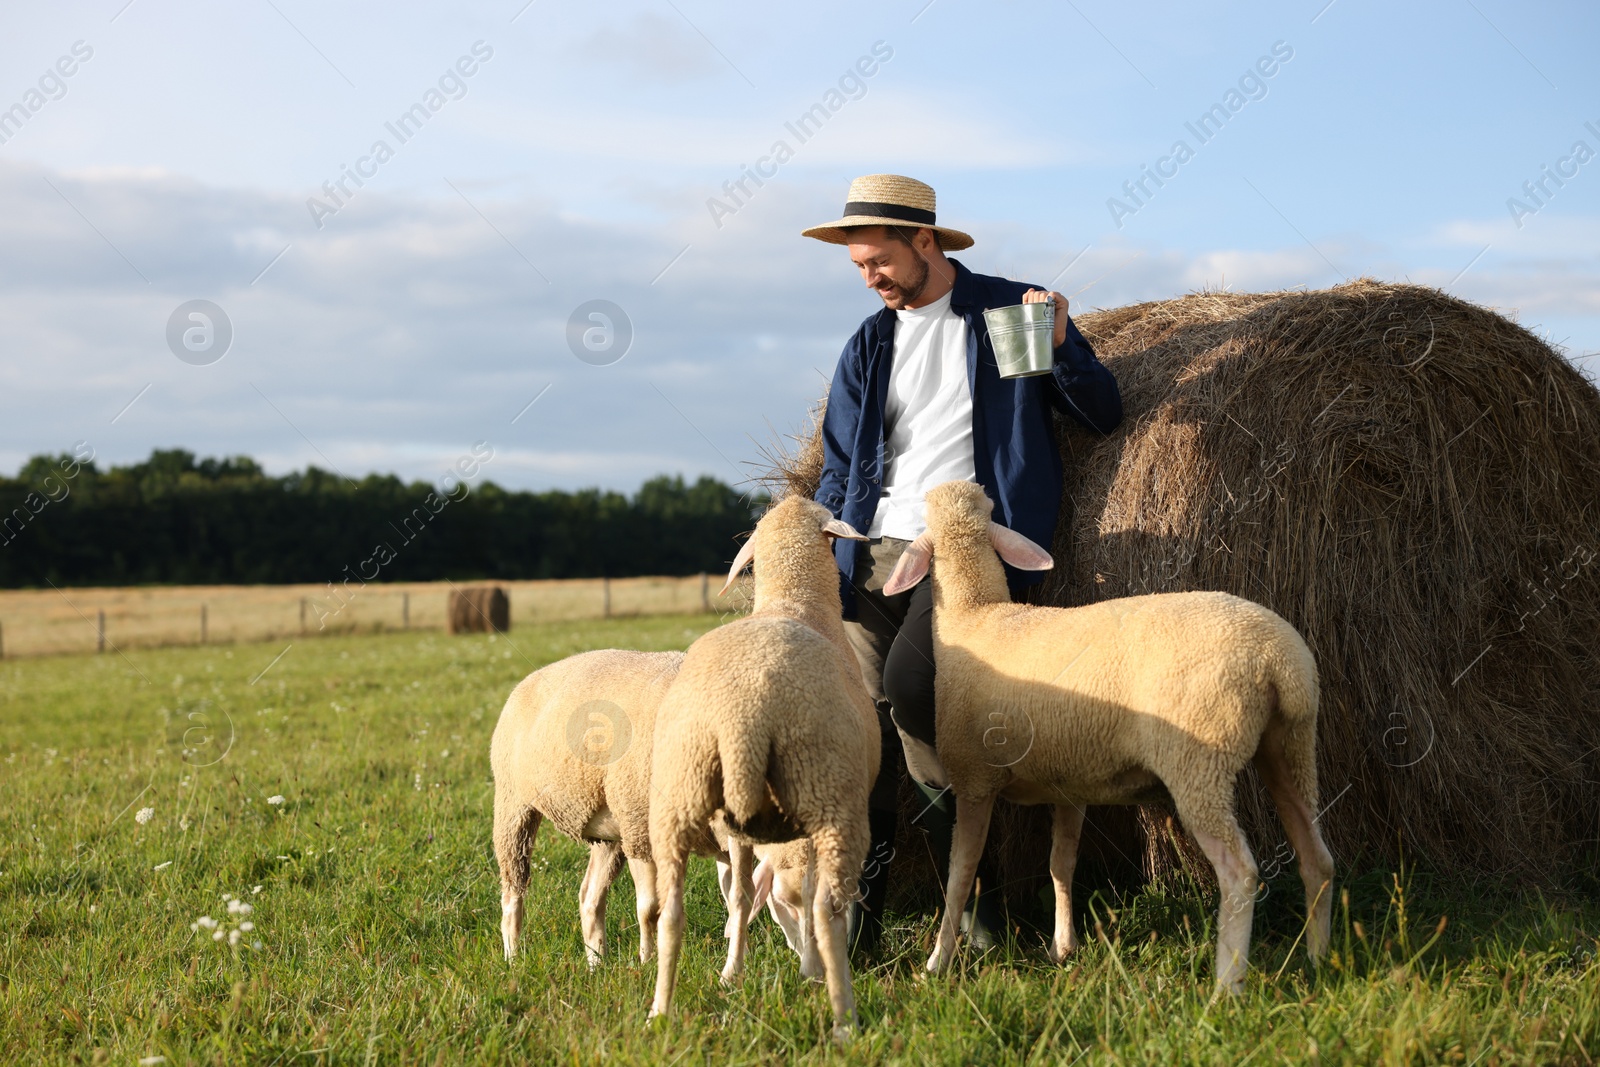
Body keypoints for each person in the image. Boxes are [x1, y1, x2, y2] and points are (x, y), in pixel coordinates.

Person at [802, 174, 1123, 956]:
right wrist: (827, 543)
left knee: (916, 694)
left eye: (878, 260)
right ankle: (860, 925)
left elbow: (1102, 413)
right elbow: (840, 464)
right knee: (861, 740)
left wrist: (1063, 349)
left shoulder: (1011, 314)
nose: (869, 277)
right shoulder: (868, 344)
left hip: (961, 548)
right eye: (857, 267)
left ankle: (977, 909)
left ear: (926, 241)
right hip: (871, 555)